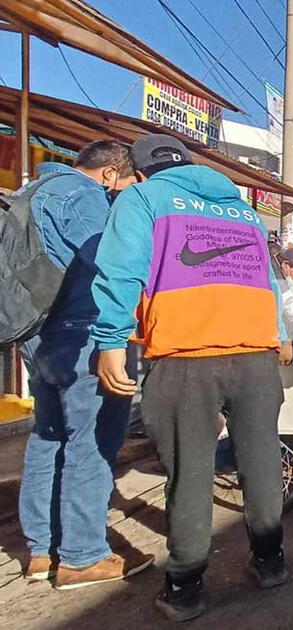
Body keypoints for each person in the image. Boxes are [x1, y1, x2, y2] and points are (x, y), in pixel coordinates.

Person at [89, 134, 293, 622]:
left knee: (191, 472)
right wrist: (280, 335)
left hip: (185, 355)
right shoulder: (240, 208)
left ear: (139, 173)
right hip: (255, 354)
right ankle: (270, 562)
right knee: (262, 462)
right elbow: (266, 280)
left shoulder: (141, 198)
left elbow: (121, 271)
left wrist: (111, 343)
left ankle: (185, 587)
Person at [15, 141, 153, 589]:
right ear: (111, 174)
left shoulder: (32, 192)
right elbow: (114, 264)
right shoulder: (86, 197)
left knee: (48, 433)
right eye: (127, 186)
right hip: (81, 333)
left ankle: (40, 550)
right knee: (91, 441)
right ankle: (82, 557)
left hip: (34, 334)